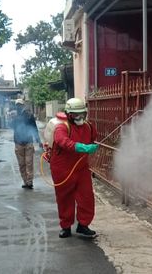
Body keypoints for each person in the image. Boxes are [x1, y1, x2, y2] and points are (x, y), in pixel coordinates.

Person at [50, 97, 99, 238]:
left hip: (81, 167)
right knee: (65, 198)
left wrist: (93, 147)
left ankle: (83, 225)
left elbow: (93, 137)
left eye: (82, 114)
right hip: (62, 168)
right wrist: (79, 146)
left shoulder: (88, 127)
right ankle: (65, 226)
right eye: (76, 114)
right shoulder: (62, 127)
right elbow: (62, 141)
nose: (80, 117)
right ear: (69, 114)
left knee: (86, 196)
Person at [11, 99, 43, 189]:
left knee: (29, 163)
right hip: (18, 143)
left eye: (20, 105)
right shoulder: (15, 117)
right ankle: (25, 181)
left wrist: (39, 141)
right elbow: (11, 126)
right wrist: (12, 118)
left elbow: (34, 129)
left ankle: (29, 182)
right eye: (17, 105)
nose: (18, 107)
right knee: (22, 164)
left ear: (23, 106)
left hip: (28, 143)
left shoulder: (29, 116)